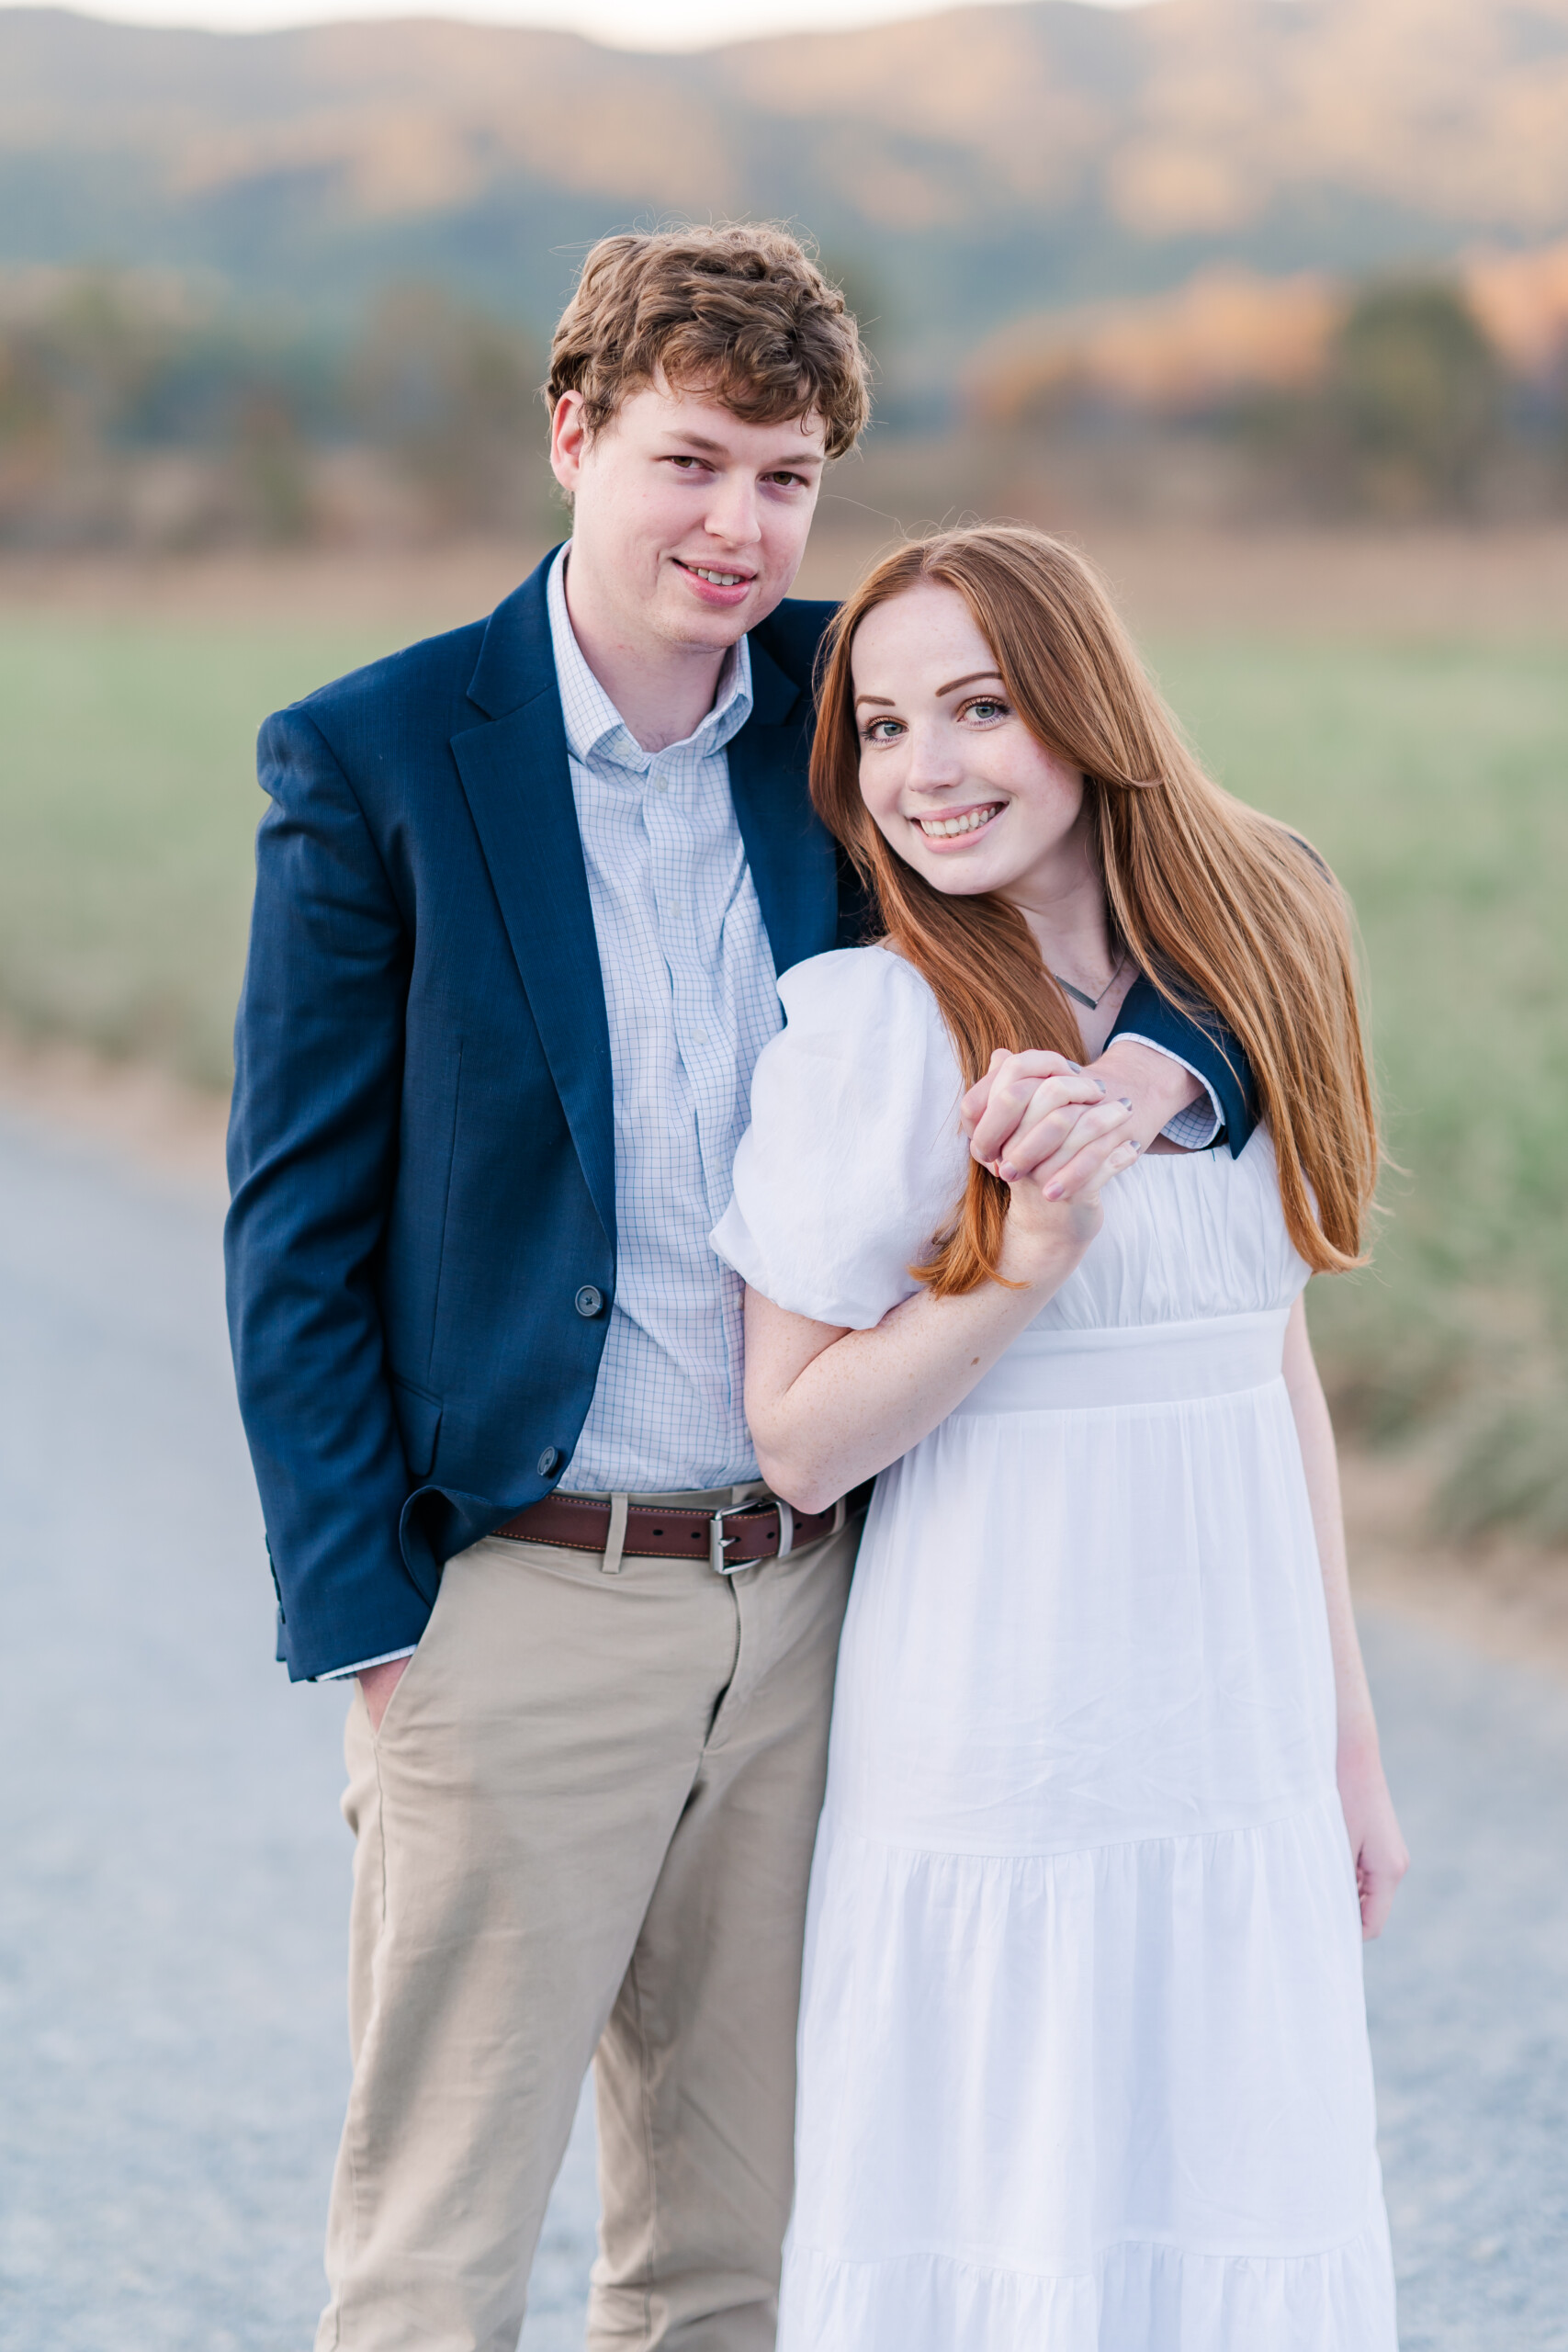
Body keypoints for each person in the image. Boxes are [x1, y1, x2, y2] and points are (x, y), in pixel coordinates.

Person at [225, 230, 1251, 2352]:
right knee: (434, 2258)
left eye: (784, 479)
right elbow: (294, 1236)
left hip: (819, 1598)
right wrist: (375, 1634)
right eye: (692, 462)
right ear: (572, 432)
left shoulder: (850, 709)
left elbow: (1219, 891)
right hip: (517, 1593)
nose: (737, 526)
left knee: (736, 2260)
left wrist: (1168, 1067)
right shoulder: (381, 758)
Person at [715, 525, 1408, 2350]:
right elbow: (793, 1437)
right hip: (994, 1747)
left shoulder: (1250, 969)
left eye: (977, 707)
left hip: (1230, 1739)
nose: (923, 770)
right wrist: (1015, 1270)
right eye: (878, 727)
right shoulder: (869, 1028)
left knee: (1228, 2227)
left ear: (1086, 712)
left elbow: (1269, 1366)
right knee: (1008, 2242)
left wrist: (1338, 1732)